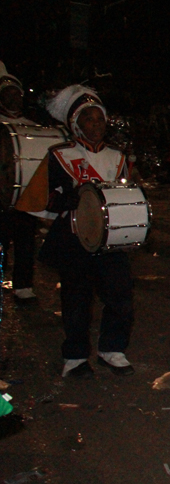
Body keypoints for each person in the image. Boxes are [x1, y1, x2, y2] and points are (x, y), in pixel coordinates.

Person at [35, 86, 136, 378]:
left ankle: (112, 349)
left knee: (120, 295)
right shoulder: (59, 155)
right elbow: (42, 197)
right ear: (76, 123)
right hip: (73, 236)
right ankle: (75, 357)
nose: (96, 124)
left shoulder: (118, 157)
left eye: (100, 119)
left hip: (111, 237)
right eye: (89, 119)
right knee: (76, 299)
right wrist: (66, 200)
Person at [0, 62, 40, 303]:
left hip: (25, 196)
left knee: (26, 241)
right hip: (1, 195)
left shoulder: (33, 126)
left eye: (17, 93)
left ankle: (23, 286)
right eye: (8, 93)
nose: (14, 98)